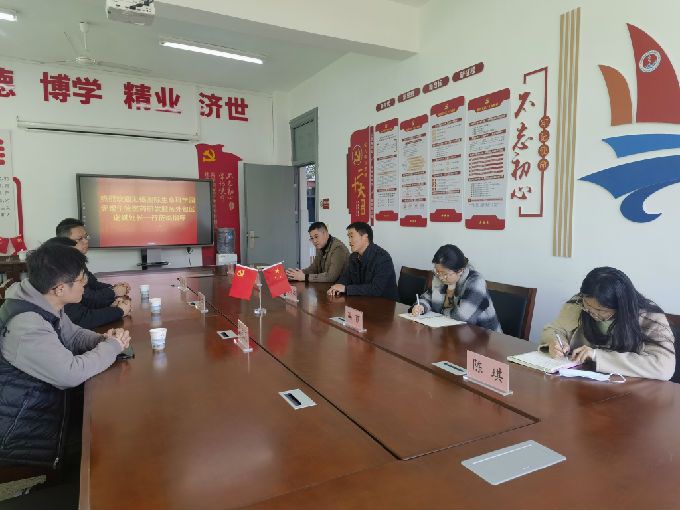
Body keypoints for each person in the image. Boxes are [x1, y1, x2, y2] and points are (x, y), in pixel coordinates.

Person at [0, 242, 130, 468]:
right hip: (24, 428)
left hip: (47, 403)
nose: (85, 284)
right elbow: (69, 374)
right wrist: (111, 348)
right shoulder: (28, 325)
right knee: (113, 439)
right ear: (60, 288)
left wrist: (103, 340)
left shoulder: (41, 299)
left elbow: (73, 335)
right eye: (80, 280)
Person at [540, 267, 675, 380]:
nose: (592, 313)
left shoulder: (650, 318)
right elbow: (554, 330)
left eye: (601, 310)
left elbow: (663, 367)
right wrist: (555, 343)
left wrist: (597, 355)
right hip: (582, 384)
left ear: (621, 306)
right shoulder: (578, 304)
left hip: (631, 390)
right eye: (587, 306)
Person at [55, 218, 131, 328]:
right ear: (64, 243)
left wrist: (114, 291)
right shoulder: (61, 269)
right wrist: (118, 308)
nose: (86, 241)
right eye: (79, 239)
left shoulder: (77, 261)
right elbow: (83, 312)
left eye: (86, 237)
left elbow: (93, 285)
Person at [411, 244, 501, 332]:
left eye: (445, 274)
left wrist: (441, 311)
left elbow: (461, 316)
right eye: (437, 271)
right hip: (452, 332)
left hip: (484, 335)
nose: (441, 277)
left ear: (460, 270)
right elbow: (427, 297)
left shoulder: (476, 281)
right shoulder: (439, 276)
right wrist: (421, 306)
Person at [328, 222, 398, 300]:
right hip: (363, 300)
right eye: (349, 237)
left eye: (352, 236)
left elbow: (376, 289)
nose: (349, 241)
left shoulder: (382, 258)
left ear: (365, 237)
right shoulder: (353, 256)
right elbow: (346, 277)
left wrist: (346, 289)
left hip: (385, 303)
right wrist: (337, 287)